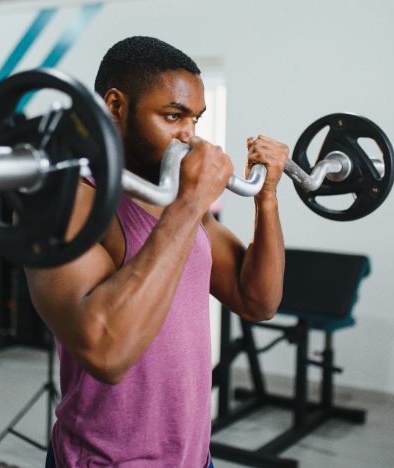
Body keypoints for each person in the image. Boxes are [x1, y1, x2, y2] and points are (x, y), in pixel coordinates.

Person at [26, 36, 288, 467]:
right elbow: (105, 352)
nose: (188, 136)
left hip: (193, 459)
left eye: (195, 121)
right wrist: (190, 203)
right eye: (172, 116)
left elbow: (258, 300)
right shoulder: (68, 199)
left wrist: (268, 197)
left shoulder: (174, 194)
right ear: (115, 105)